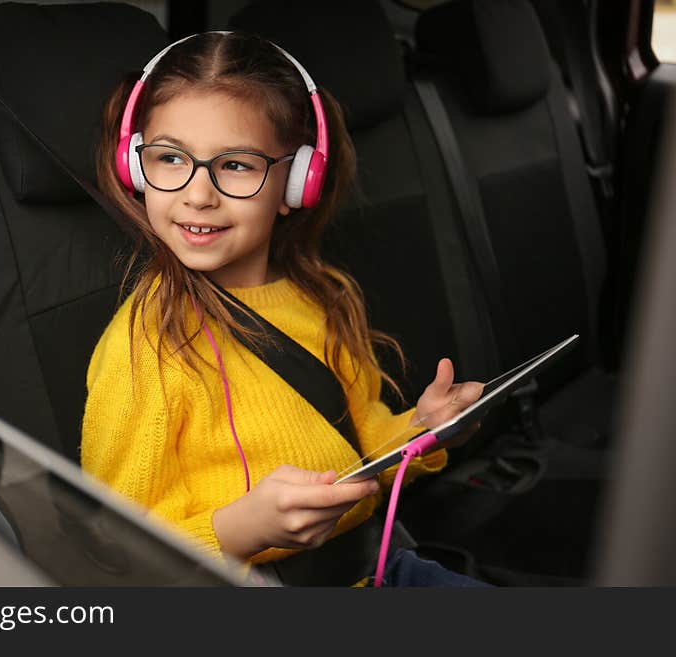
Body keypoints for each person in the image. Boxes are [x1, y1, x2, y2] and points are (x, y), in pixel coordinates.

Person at [81, 31, 486, 586]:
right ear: (134, 166)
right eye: (170, 158)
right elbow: (117, 545)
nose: (198, 194)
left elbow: (361, 444)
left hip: (378, 567)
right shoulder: (143, 346)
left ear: (300, 178)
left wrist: (423, 429)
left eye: (238, 166)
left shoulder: (323, 297)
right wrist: (239, 531)